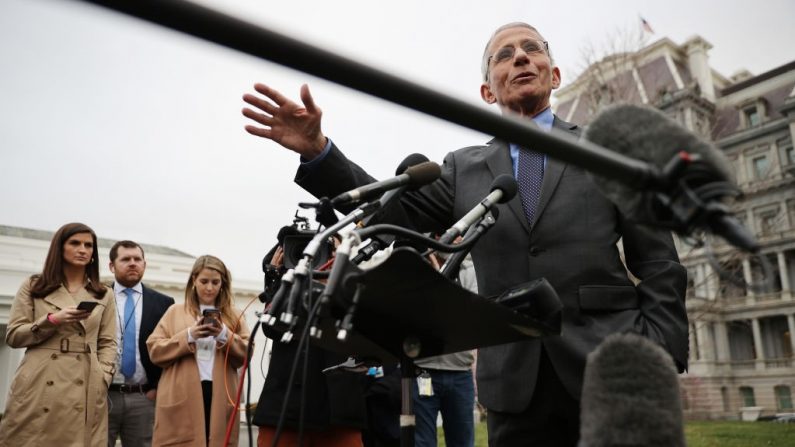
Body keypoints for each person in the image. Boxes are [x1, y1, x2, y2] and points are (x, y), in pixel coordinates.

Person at [241, 22, 687, 447]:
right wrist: (320, 151)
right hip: (514, 384)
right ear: (487, 90)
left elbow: (659, 261)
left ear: (554, 75)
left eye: (533, 50)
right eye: (504, 55)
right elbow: (387, 211)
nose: (520, 59)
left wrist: (660, 349)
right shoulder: (462, 169)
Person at [0, 222, 118, 447]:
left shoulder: (104, 293)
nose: (83, 249)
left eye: (88, 245)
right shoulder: (34, 286)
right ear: (59, 248)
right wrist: (52, 320)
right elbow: (14, 335)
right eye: (75, 243)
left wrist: (104, 375)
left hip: (86, 379)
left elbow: (108, 341)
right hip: (40, 378)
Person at [253, 243, 369, 447]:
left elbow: (362, 335)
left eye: (327, 252)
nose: (320, 260)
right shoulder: (287, 288)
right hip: (285, 407)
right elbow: (272, 328)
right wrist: (275, 278)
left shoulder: (353, 289)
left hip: (339, 411)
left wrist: (342, 273)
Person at [146, 255, 250, 447]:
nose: (209, 287)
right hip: (182, 393)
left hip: (220, 393)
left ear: (223, 284)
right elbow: (154, 350)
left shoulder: (234, 315)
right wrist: (189, 336)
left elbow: (247, 353)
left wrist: (224, 335)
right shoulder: (175, 312)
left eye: (215, 282)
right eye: (204, 281)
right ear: (194, 280)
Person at [107, 240, 175, 447]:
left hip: (144, 397)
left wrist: (157, 388)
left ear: (144, 264)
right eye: (125, 259)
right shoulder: (98, 299)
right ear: (112, 266)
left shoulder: (164, 303)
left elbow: (170, 349)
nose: (132, 263)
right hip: (103, 397)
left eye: (138, 259)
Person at [412, 252, 477, 447]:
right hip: (422, 371)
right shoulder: (417, 268)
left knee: (463, 441)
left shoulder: (469, 269)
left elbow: (472, 313)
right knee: (422, 442)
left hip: (460, 373)